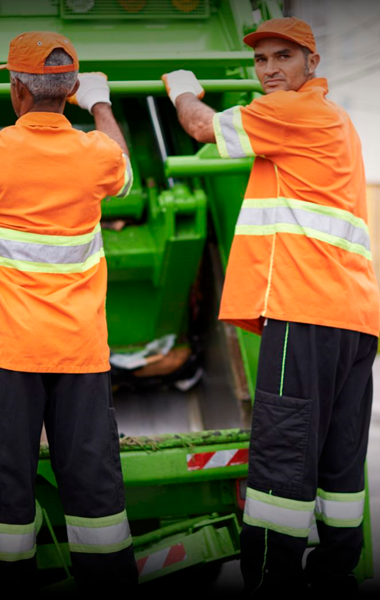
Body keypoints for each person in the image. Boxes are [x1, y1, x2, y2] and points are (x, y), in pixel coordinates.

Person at [162, 16, 380, 594]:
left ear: (312, 63)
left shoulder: (294, 112)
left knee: (283, 456)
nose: (269, 70)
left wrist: (181, 85)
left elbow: (200, 127)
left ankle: (268, 581)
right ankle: (335, 576)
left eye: (283, 57)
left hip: (306, 310)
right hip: (354, 320)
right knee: (339, 461)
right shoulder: (337, 121)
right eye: (261, 61)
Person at [0, 32, 138, 593]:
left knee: (6, 484)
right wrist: (102, 104)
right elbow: (123, 160)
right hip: (80, 353)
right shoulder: (96, 157)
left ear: (17, 89)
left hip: (7, 352)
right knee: (93, 485)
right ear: (71, 89)